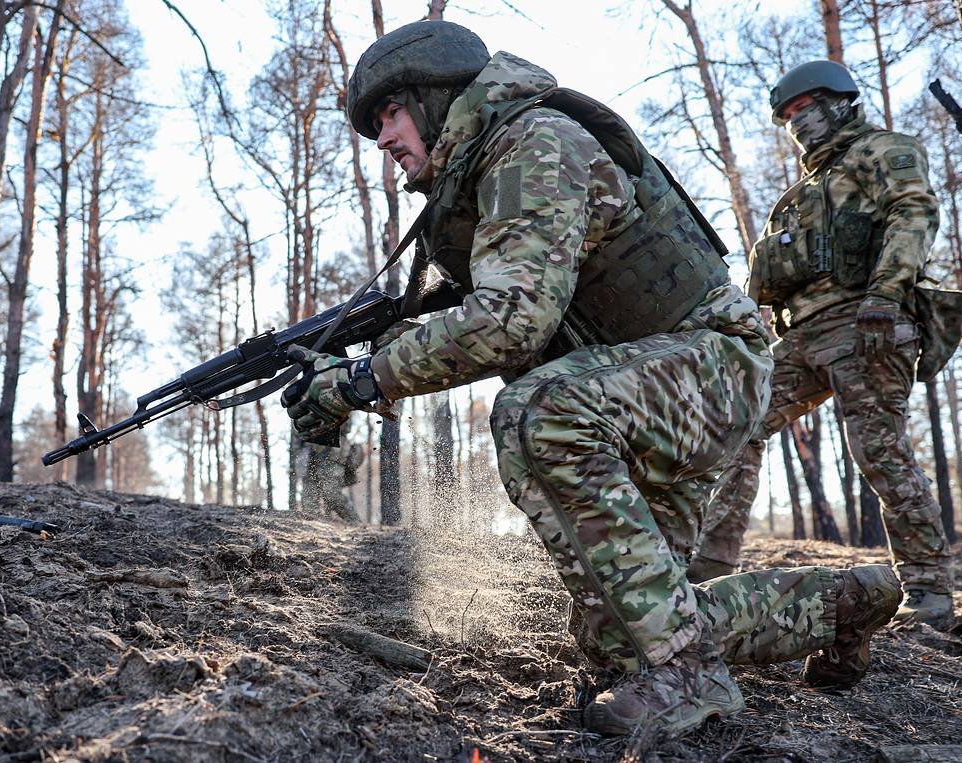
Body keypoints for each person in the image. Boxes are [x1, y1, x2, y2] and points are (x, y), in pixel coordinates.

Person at [282, 22, 902, 735]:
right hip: (646, 391)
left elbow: (511, 321)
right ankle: (845, 603)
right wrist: (368, 366)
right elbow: (507, 321)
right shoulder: (481, 181)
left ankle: (690, 674)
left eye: (391, 113)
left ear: (434, 97)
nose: (383, 138)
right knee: (628, 634)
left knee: (536, 413)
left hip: (710, 367)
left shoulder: (533, 142)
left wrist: (361, 380)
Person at [693, 60, 954, 626]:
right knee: (739, 423)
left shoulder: (880, 150)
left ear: (838, 101)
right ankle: (708, 565)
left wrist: (885, 295)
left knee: (879, 451)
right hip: (803, 335)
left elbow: (914, 212)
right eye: (788, 115)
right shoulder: (801, 193)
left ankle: (929, 590)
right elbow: (768, 275)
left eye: (804, 108)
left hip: (867, 322)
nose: (797, 122)